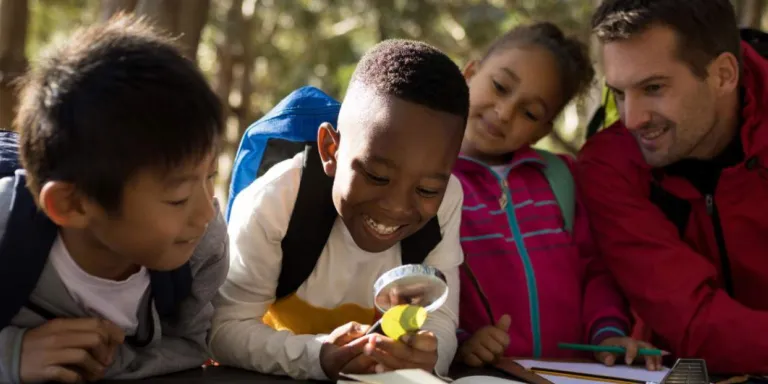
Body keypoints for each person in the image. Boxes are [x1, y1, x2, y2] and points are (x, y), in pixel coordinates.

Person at [209, 40, 469, 380]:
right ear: (331, 149)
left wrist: (427, 359)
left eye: (427, 189)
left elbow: (441, 317)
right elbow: (223, 330)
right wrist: (318, 356)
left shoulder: (445, 204)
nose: (396, 206)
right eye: (377, 176)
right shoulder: (275, 204)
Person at [0, 15, 228, 383]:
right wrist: (12, 355)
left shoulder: (203, 248)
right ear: (72, 205)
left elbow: (191, 343)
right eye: (178, 197)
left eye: (211, 178)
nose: (205, 213)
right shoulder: (6, 234)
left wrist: (105, 361)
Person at [452, 21, 661, 371]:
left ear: (542, 130)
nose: (504, 113)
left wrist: (607, 333)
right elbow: (421, 282)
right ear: (470, 73)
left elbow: (596, 270)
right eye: (500, 86)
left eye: (530, 113)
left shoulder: (560, 179)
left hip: (572, 374)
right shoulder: (431, 183)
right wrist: (460, 342)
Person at [578, 0, 768, 374]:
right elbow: (693, 323)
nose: (631, 119)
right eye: (618, 93)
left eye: (653, 87)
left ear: (724, 75)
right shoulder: (608, 164)